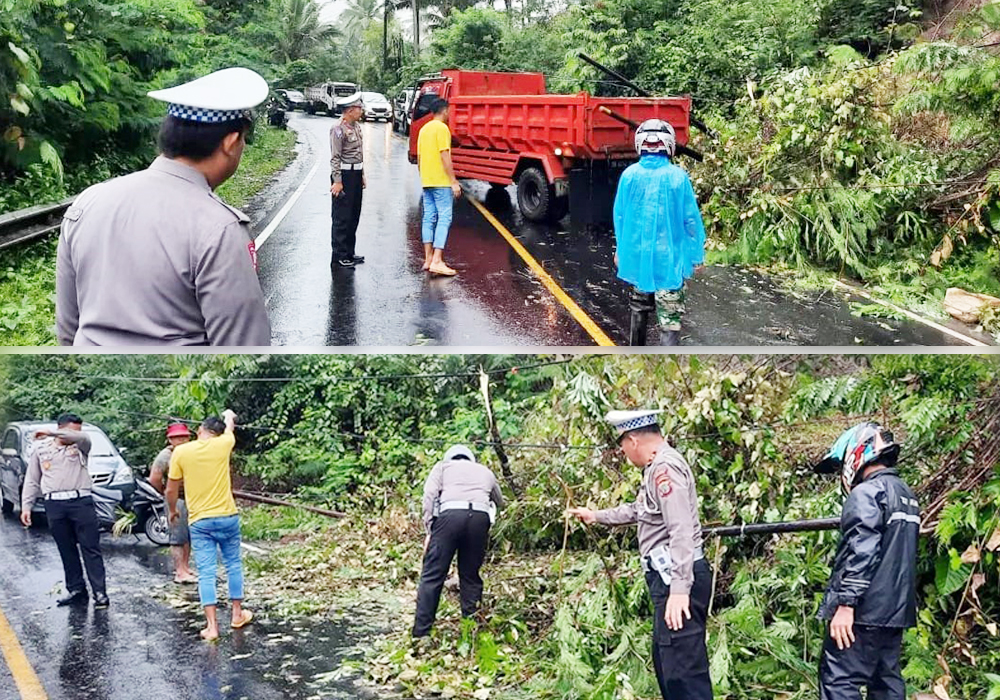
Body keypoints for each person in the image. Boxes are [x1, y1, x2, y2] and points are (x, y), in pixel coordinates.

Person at [55, 67, 271, 346]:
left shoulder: (89, 202)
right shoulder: (219, 229)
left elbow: (67, 331)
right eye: (243, 139)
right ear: (230, 143)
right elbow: (244, 354)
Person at [566, 410, 713, 700]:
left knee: (684, 671)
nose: (623, 453)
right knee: (668, 664)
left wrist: (680, 590)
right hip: (667, 577)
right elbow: (639, 510)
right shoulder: (655, 468)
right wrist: (595, 515)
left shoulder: (665, 470)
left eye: (622, 447)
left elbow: (681, 529)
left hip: (677, 578)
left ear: (633, 440)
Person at [813, 422, 919, 700]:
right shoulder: (905, 493)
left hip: (863, 612)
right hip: (894, 613)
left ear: (857, 454)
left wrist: (846, 604)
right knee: (886, 684)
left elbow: (862, 550)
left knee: (839, 681)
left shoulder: (867, 493)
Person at [613, 119, 706, 346]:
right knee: (669, 321)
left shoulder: (629, 175)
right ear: (669, 144)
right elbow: (691, 219)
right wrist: (696, 256)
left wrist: (620, 251)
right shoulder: (678, 177)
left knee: (638, 309)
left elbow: (620, 217)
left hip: (638, 257)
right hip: (670, 260)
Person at [166, 410, 253, 640]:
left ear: (199, 431)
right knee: (233, 564)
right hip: (227, 517)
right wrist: (229, 416)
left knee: (206, 572)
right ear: (220, 433)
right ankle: (236, 615)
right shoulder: (224, 443)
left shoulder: (181, 452)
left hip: (200, 521)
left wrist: (173, 510)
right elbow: (229, 426)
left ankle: (212, 627)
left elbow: (171, 488)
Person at [412, 445, 504, 638]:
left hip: (450, 517)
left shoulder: (442, 467)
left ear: (450, 458)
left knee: (433, 575)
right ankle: (470, 631)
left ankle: (421, 634)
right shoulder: (485, 471)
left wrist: (430, 529)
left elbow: (429, 496)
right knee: (470, 576)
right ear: (470, 459)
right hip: (479, 518)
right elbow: (499, 501)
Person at [20, 413, 109, 609]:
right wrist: (26, 505)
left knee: (90, 547)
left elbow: (82, 438)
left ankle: (100, 592)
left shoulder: (81, 446)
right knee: (66, 548)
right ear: (61, 427)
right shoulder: (41, 449)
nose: (76, 434)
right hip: (55, 505)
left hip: (80, 502)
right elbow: (32, 479)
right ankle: (77, 589)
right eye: (71, 430)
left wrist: (52, 432)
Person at [416, 98, 461, 277]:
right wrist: (453, 181)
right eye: (448, 111)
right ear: (444, 111)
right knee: (444, 218)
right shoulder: (442, 129)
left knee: (429, 218)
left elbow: (419, 158)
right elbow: (445, 155)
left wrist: (424, 176)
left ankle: (428, 259)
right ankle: (437, 260)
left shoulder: (423, 129)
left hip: (426, 180)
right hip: (441, 181)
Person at [149, 422, 196, 584]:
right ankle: (179, 571)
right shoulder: (166, 455)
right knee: (177, 535)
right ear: (170, 440)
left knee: (188, 534)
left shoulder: (191, 451)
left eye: (184, 437)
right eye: (177, 438)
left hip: (192, 496)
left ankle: (186, 566)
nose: (181, 440)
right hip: (176, 498)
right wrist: (166, 491)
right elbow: (154, 478)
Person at [329, 93, 367, 269]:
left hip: (356, 175)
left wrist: (362, 174)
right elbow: (335, 157)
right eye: (359, 108)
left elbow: (358, 153)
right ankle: (339, 255)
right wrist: (337, 181)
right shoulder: (338, 129)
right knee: (342, 217)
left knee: (354, 215)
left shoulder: (357, 127)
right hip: (344, 176)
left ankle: (350, 252)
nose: (361, 110)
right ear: (350, 110)